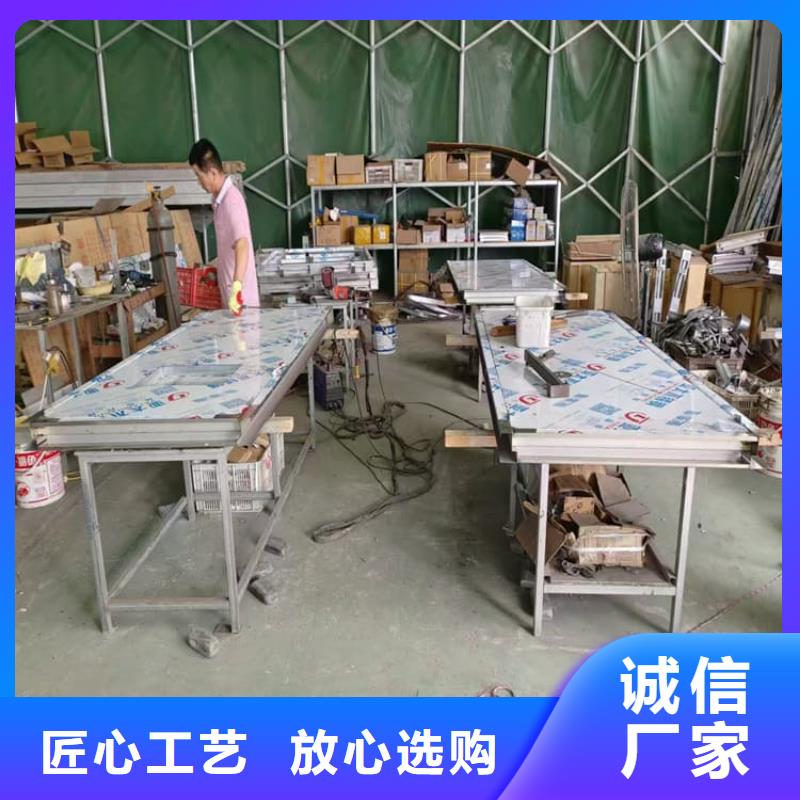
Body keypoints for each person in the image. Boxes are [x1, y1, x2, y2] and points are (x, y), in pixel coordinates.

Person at [189, 138, 259, 315]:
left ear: (212, 172)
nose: (199, 182)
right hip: (231, 299)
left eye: (199, 176)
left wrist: (237, 287)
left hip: (241, 302)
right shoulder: (219, 201)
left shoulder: (231, 200)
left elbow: (242, 244)